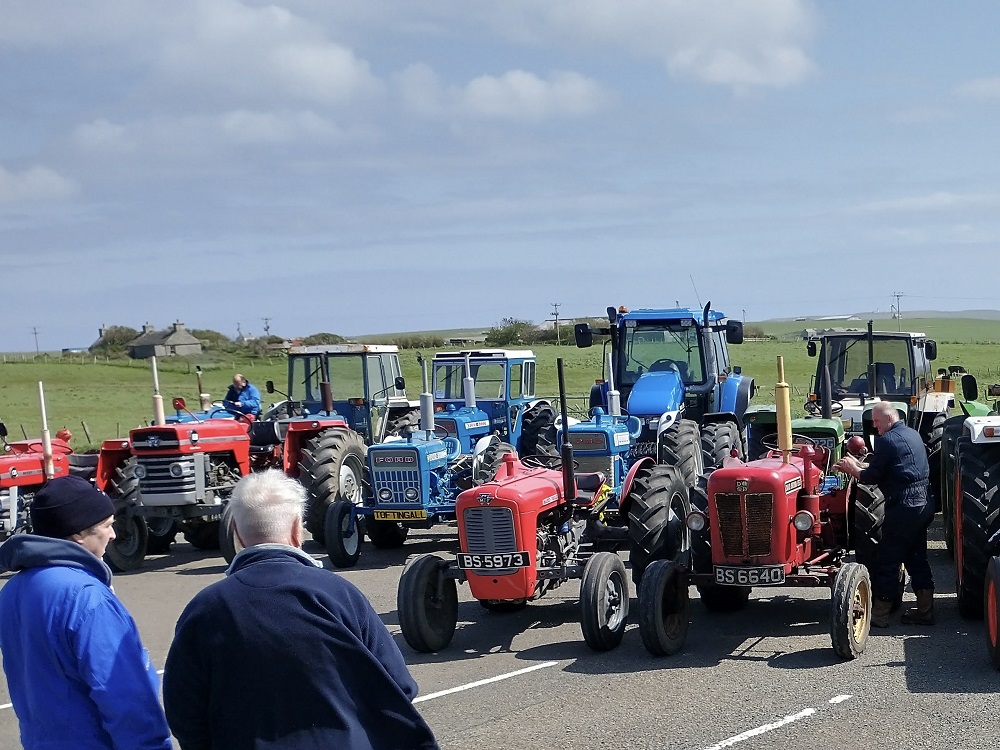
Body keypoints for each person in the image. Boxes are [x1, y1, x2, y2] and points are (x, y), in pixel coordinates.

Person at [163, 470, 438, 750]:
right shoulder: (340, 595)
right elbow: (399, 685)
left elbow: (185, 714)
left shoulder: (204, 610)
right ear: (297, 529)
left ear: (236, 534)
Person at [0, 476, 172, 750]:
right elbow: (122, 691)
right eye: (107, 526)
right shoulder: (86, 597)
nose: (113, 534)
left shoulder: (13, 590)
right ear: (78, 533)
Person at [834, 401, 935, 627]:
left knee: (888, 558)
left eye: (877, 422)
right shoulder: (912, 434)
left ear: (889, 419)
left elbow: (872, 477)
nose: (875, 427)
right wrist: (858, 466)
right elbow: (891, 468)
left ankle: (879, 614)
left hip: (904, 506)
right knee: (916, 555)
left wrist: (853, 469)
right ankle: (925, 609)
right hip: (924, 503)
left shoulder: (887, 441)